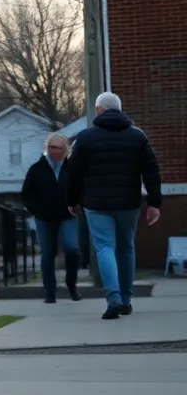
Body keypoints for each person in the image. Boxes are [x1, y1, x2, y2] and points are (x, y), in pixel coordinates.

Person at [65, 92, 162, 320]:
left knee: (104, 247)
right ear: (119, 109)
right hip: (129, 202)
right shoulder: (137, 136)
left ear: (98, 110)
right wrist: (154, 203)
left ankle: (113, 298)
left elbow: (74, 174)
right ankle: (126, 300)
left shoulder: (85, 138)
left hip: (96, 202)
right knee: (126, 247)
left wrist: (72, 200)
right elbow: (151, 171)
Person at [21, 132, 80, 303]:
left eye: (57, 148)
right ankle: (50, 291)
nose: (53, 151)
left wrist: (77, 204)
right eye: (50, 147)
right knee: (48, 253)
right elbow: (27, 193)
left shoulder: (72, 168)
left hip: (67, 216)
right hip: (44, 218)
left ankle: (71, 284)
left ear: (65, 149)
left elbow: (80, 187)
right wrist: (36, 210)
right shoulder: (37, 169)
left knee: (72, 248)